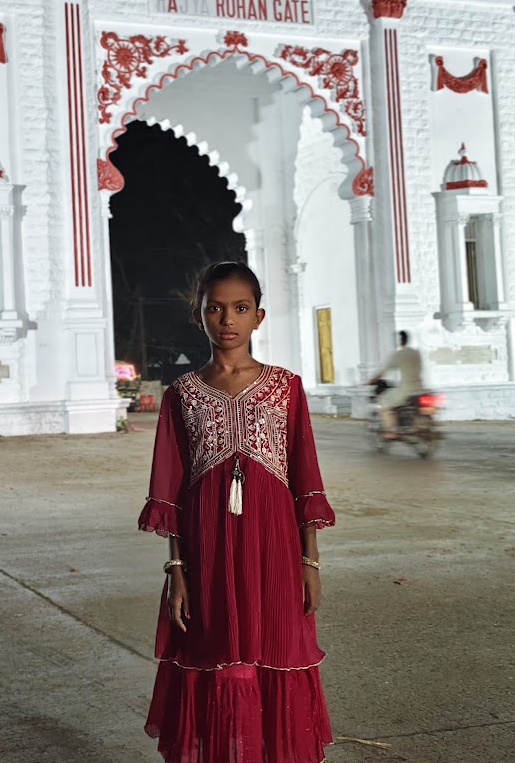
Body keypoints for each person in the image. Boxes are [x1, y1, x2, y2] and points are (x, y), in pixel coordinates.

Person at [138, 261, 336, 763]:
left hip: (275, 551)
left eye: (240, 308)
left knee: (274, 655)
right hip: (206, 553)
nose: (228, 318)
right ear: (199, 315)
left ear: (259, 317)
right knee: (220, 659)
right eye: (216, 308)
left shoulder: (286, 388)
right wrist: (177, 571)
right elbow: (171, 492)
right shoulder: (181, 395)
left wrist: (309, 563)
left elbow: (306, 479)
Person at [371, 330, 424, 438]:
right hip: (420, 387)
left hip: (407, 388)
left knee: (384, 401)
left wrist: (372, 380)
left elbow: (384, 370)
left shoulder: (399, 354)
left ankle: (390, 430)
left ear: (400, 341)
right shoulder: (416, 353)